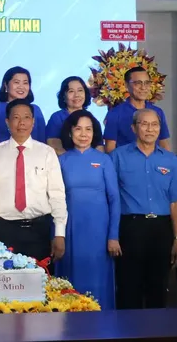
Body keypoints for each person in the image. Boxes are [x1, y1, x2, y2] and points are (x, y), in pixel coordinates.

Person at [110, 108, 177, 309]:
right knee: (128, 287)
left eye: (155, 125)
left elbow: (176, 201)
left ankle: (156, 327)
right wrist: (112, 235)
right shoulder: (117, 156)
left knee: (158, 287)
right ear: (133, 128)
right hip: (130, 227)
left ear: (160, 128)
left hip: (161, 229)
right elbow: (110, 198)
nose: (150, 129)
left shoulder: (171, 160)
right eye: (144, 124)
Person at [0, 99, 67, 263]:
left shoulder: (46, 152)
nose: (21, 123)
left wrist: (59, 233)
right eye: (16, 117)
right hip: (4, 231)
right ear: (7, 122)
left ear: (33, 122)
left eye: (26, 117)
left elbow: (57, 194)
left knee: (41, 278)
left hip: (39, 230)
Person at [56, 110, 120, 310]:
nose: (83, 134)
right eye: (78, 129)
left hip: (99, 233)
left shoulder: (104, 160)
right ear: (70, 132)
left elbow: (114, 199)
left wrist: (113, 236)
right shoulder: (61, 161)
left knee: (99, 283)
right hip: (71, 230)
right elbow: (56, 200)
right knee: (70, 285)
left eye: (88, 129)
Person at [104, 67, 171, 152]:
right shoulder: (115, 113)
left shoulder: (157, 112)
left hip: (154, 159)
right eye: (138, 83)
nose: (143, 87)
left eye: (147, 83)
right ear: (126, 85)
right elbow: (110, 148)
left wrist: (169, 159)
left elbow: (163, 142)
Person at [0, 67, 47, 143]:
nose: (21, 87)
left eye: (25, 83)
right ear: (6, 85)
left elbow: (42, 139)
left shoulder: (35, 110)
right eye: (17, 82)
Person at [46, 77, 93, 154]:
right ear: (63, 96)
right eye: (71, 91)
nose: (76, 95)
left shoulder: (91, 117)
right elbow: (54, 145)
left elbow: (99, 145)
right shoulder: (57, 118)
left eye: (80, 90)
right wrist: (73, 159)